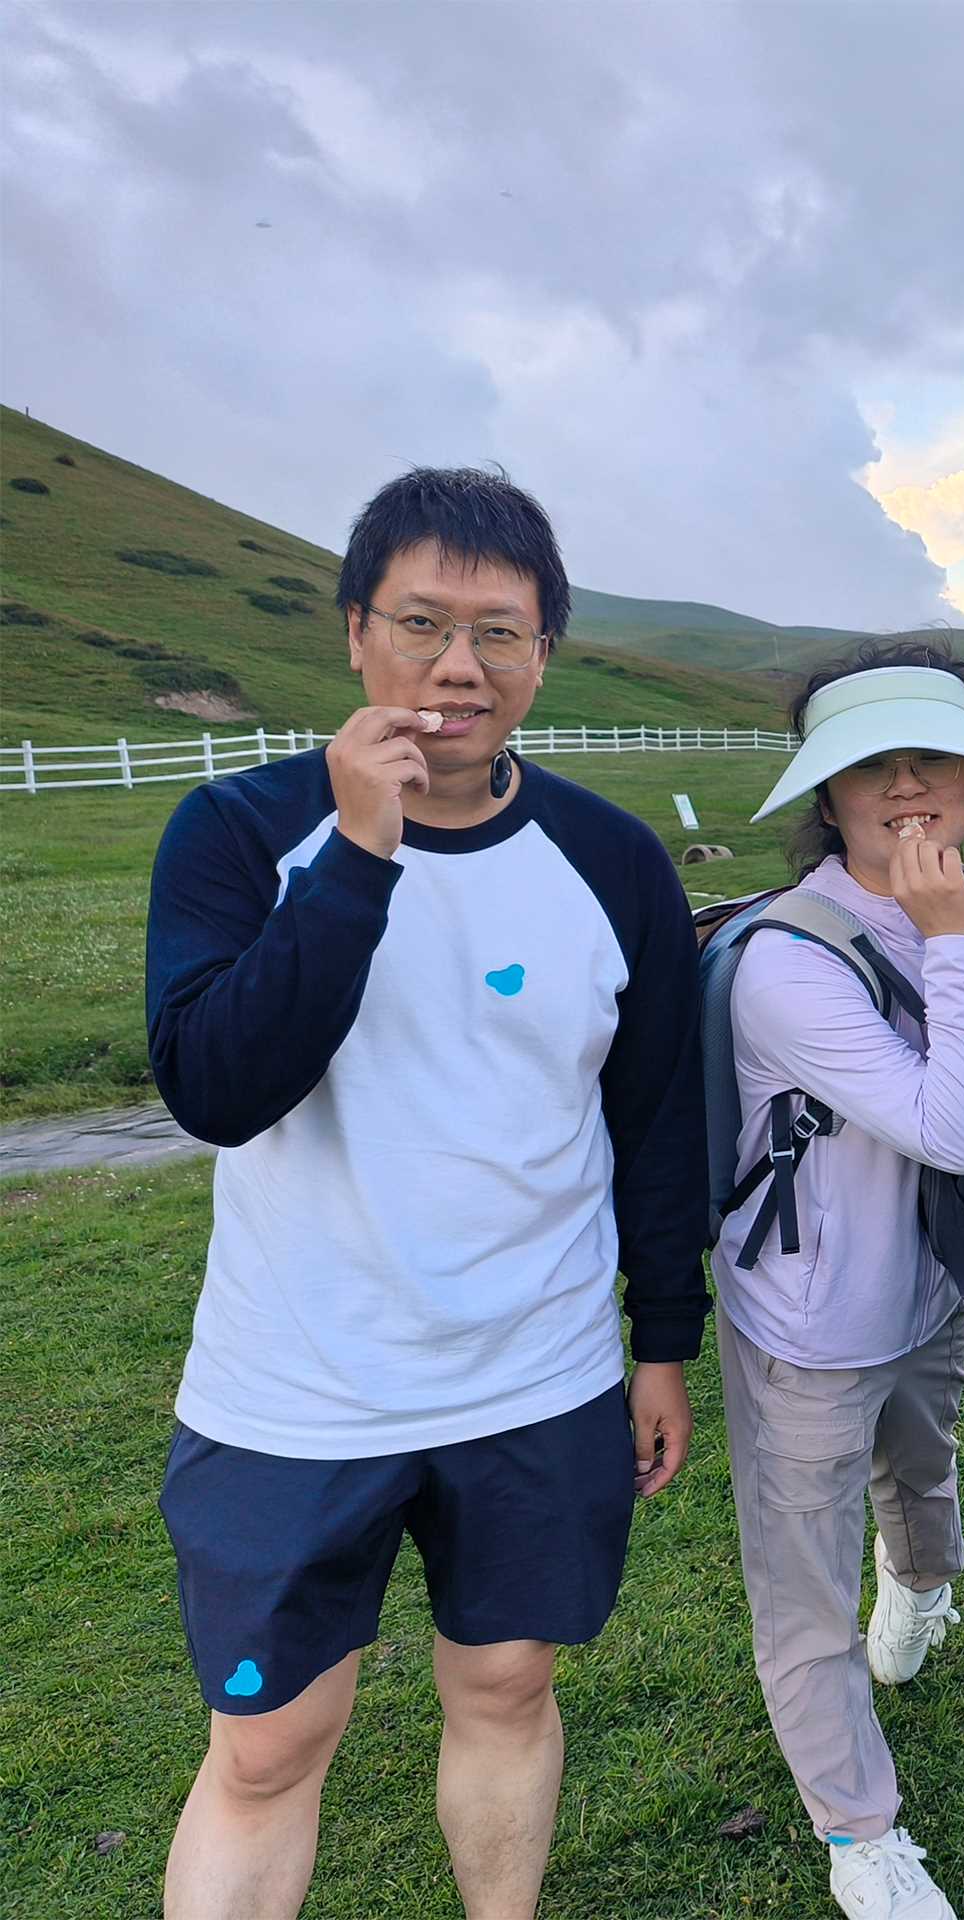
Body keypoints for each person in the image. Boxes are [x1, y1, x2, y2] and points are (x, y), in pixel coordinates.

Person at [144, 469, 707, 1919]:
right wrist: (359, 853)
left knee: (509, 1685)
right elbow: (218, 1089)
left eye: (499, 633)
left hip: (538, 1371)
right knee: (269, 1747)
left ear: (542, 655)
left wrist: (662, 1341)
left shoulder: (613, 861)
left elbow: (653, 1125)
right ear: (356, 633)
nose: (460, 666)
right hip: (296, 1383)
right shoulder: (237, 834)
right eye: (421, 623)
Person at [712, 641, 964, 1920]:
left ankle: (919, 1588)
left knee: (924, 1459)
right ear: (829, 793)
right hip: (808, 1315)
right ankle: (860, 1834)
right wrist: (953, 942)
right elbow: (955, 1127)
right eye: (872, 767)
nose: (908, 788)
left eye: (934, 760)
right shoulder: (788, 958)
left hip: (933, 1283)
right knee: (803, 1577)